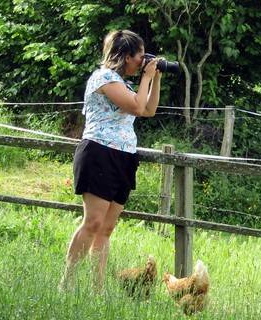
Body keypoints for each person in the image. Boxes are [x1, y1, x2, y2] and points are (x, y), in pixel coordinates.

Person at [59, 30, 162, 291]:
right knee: (93, 222)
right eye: (140, 56)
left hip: (124, 156)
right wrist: (146, 77)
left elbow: (148, 110)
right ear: (126, 56)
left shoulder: (124, 84)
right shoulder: (104, 78)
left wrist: (155, 78)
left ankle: (97, 289)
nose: (142, 61)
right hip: (99, 153)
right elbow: (137, 107)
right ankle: (66, 282)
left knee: (106, 228)